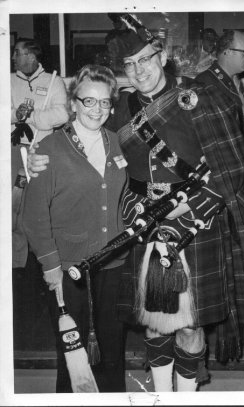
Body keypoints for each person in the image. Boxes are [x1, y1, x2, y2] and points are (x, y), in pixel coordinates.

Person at [28, 14, 244, 392]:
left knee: (190, 327)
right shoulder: (120, 109)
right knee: (156, 325)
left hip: (197, 222)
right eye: (129, 65)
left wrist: (188, 208)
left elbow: (232, 167)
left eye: (145, 60)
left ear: (161, 57)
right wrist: (39, 154)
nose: (139, 71)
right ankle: (161, 395)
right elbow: (84, 131)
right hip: (144, 223)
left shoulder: (201, 96)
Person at [22, 65, 129, 393]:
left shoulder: (117, 141)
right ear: (72, 104)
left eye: (105, 102)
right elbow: (33, 215)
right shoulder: (50, 149)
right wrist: (51, 264)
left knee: (112, 347)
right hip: (69, 266)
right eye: (89, 101)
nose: (97, 110)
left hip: (113, 260)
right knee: (73, 348)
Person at [11, 37, 68, 268]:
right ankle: (16, 261)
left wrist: (32, 116)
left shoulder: (53, 82)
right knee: (13, 206)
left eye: (18, 52)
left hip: (41, 150)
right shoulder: (7, 81)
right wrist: (16, 115)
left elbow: (61, 115)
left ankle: (44, 258)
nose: (13, 57)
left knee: (39, 206)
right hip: (13, 150)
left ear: (31, 57)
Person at [196, 30, 244, 198]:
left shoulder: (233, 81)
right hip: (220, 175)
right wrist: (240, 126)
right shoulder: (206, 83)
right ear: (227, 52)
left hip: (237, 167)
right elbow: (206, 133)